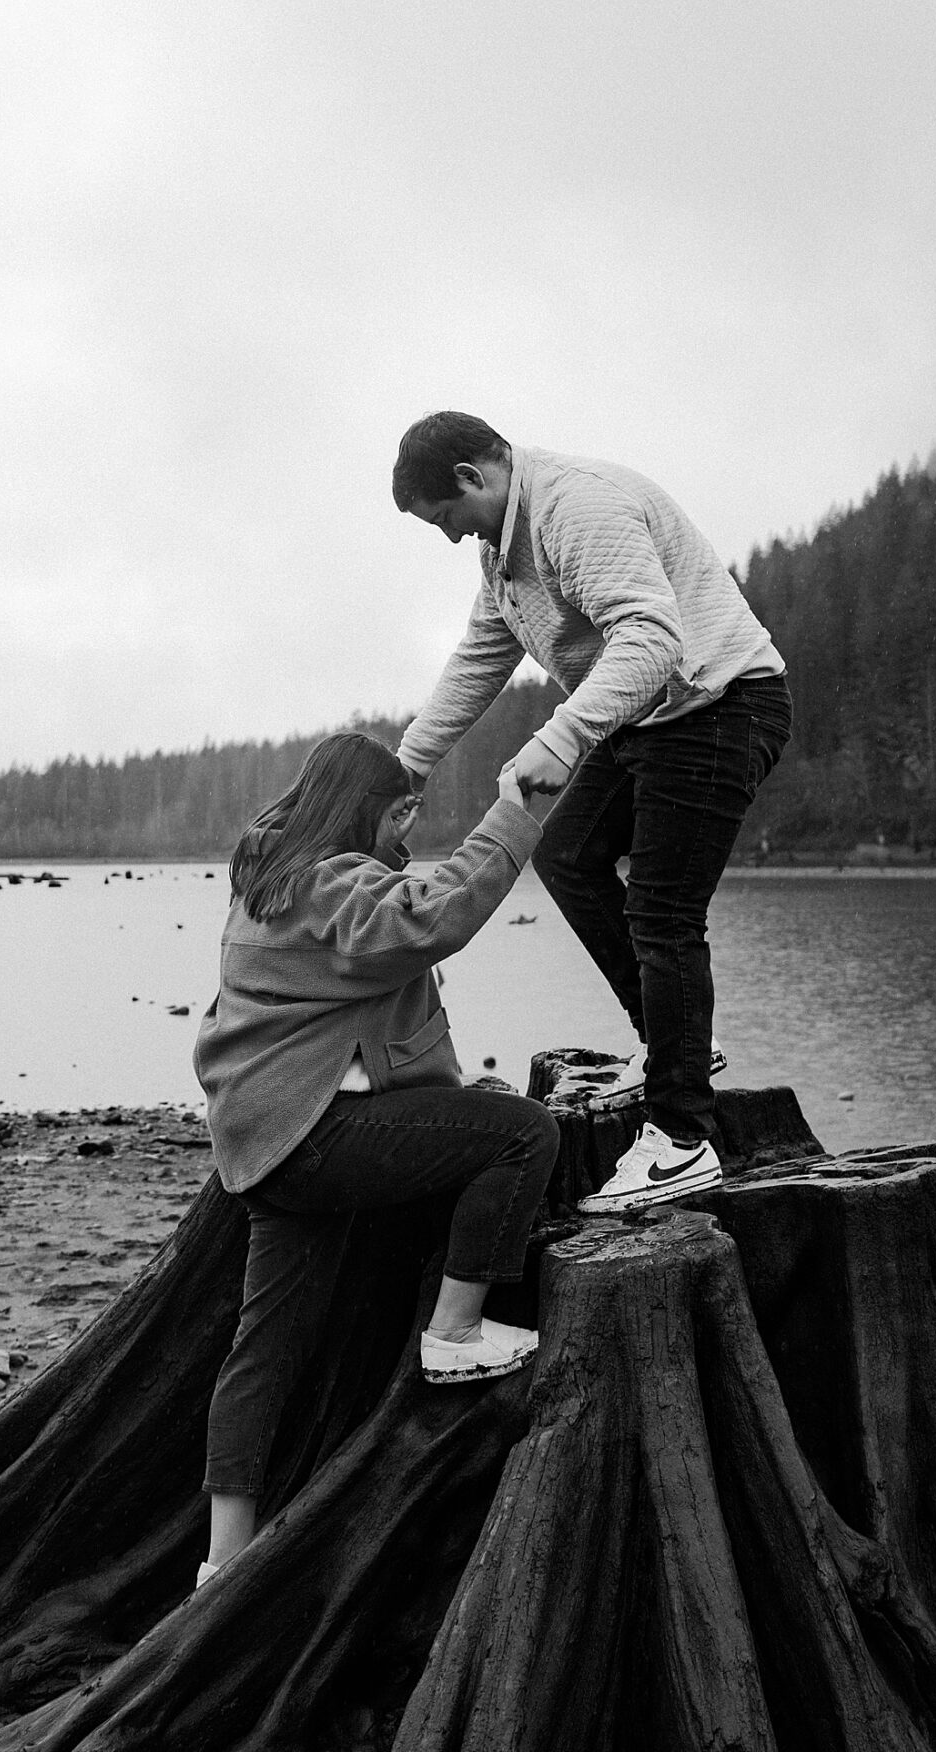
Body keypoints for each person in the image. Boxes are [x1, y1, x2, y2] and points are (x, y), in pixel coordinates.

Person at [391, 412, 792, 1214]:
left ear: (473, 477)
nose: (449, 536)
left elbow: (651, 638)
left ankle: (681, 1140)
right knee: (566, 855)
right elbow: (479, 661)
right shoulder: (500, 552)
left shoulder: (576, 506)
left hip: (719, 704)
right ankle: (676, 1044)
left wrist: (563, 735)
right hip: (649, 716)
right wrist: (407, 767)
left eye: (444, 518)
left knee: (663, 913)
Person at [193, 730, 557, 1587]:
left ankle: (221, 1562)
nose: (406, 832)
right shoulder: (328, 885)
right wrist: (514, 813)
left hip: (266, 1145)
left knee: (263, 1351)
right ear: (363, 810)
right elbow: (429, 917)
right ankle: (455, 1332)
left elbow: (356, 1016)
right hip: (313, 1135)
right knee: (524, 1133)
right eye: (398, 815)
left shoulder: (271, 877)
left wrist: (452, 1095)